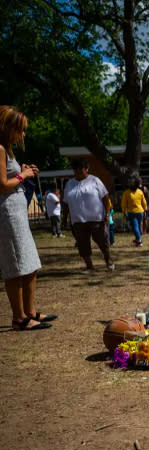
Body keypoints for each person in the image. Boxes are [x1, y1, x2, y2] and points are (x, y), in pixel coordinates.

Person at [0, 106, 55, 330]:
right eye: (19, 130)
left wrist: (22, 171)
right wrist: (23, 175)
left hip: (17, 212)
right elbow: (2, 185)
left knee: (30, 262)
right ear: (7, 127)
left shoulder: (8, 149)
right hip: (7, 214)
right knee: (15, 265)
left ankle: (30, 312)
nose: (22, 135)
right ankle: (19, 318)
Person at [63, 158, 115, 273]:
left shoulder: (94, 180)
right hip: (78, 220)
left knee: (102, 241)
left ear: (86, 169)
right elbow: (65, 203)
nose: (78, 173)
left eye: (81, 170)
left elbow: (105, 198)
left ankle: (108, 260)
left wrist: (107, 215)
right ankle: (89, 266)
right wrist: (64, 218)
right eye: (75, 170)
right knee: (82, 244)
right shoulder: (69, 184)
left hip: (96, 219)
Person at [121, 179, 148, 246]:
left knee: (135, 227)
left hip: (131, 212)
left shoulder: (126, 193)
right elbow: (144, 202)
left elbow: (123, 204)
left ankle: (139, 241)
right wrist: (145, 210)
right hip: (140, 211)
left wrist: (124, 212)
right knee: (138, 226)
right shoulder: (140, 192)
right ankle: (137, 239)